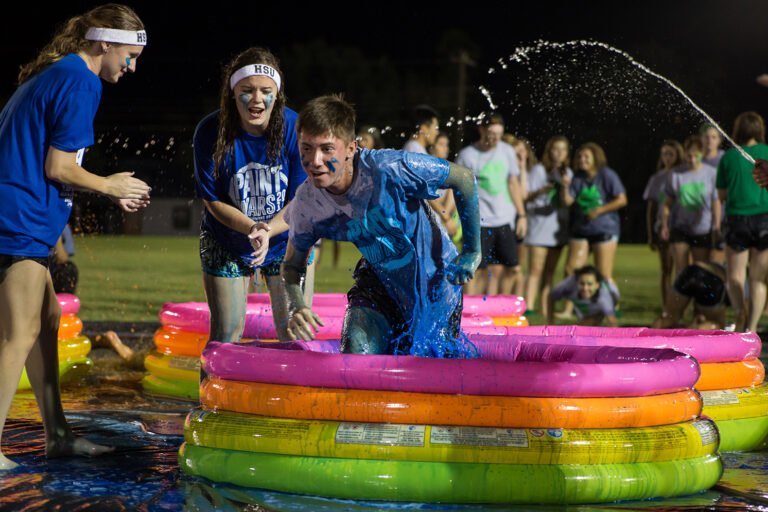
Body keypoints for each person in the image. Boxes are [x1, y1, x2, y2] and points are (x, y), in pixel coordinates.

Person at [0, 4, 151, 470]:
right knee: (17, 335)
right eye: (129, 54)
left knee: (44, 324)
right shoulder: (81, 80)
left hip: (20, 216)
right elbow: (59, 166)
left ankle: (59, 436)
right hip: (18, 219)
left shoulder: (58, 73)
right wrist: (111, 186)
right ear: (103, 42)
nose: (131, 66)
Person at [280, 94, 481, 358]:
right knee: (354, 357)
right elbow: (292, 266)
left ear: (351, 148)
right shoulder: (308, 203)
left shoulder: (391, 169)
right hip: (379, 284)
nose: (315, 160)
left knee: (427, 372)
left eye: (327, 149)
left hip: (435, 283)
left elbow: (464, 179)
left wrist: (471, 251)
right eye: (306, 148)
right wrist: (296, 304)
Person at [193, 47, 312, 344]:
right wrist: (252, 228)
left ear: (277, 95)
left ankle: (293, 393)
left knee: (293, 335)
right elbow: (212, 200)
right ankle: (212, 391)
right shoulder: (210, 131)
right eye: (247, 90)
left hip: (286, 238)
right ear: (232, 93)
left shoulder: (294, 128)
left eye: (265, 91)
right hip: (226, 238)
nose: (257, 99)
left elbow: (300, 200)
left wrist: (268, 229)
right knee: (226, 333)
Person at [457, 115, 527, 295]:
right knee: (476, 270)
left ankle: (503, 307)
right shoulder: (467, 155)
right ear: (481, 130)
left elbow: (513, 183)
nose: (496, 138)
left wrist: (522, 215)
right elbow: (458, 189)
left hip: (504, 220)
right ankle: (469, 310)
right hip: (479, 222)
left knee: (513, 268)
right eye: (492, 133)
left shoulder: (507, 151)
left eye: (499, 134)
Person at [716, 111, 768, 332]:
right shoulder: (767, 152)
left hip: (738, 219)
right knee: (758, 279)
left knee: (734, 277)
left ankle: (739, 314)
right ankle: (753, 327)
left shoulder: (729, 156)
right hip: (765, 219)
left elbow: (721, 195)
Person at [660, 135, 720, 316]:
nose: (692, 159)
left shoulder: (711, 173)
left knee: (700, 271)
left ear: (701, 154)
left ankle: (698, 312)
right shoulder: (676, 174)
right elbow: (667, 203)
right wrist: (664, 225)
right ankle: (676, 312)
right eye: (689, 155)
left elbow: (716, 201)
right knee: (682, 271)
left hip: (702, 228)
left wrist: (716, 226)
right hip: (680, 228)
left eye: (696, 155)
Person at [561, 142, 627, 300]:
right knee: (571, 270)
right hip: (581, 229)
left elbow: (622, 199)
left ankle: (612, 306)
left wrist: (598, 210)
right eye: (580, 156)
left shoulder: (607, 174)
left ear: (595, 158)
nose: (582, 159)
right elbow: (568, 202)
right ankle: (573, 308)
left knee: (603, 273)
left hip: (604, 229)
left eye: (586, 157)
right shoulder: (577, 177)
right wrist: (564, 186)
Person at [524, 136, 572, 317]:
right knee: (535, 270)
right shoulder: (538, 170)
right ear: (549, 151)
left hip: (556, 230)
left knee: (550, 273)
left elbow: (568, 203)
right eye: (555, 149)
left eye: (563, 150)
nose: (558, 153)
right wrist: (542, 190)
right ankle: (528, 309)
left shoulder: (568, 173)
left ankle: (545, 310)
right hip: (538, 228)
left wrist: (566, 186)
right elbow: (526, 196)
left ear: (567, 154)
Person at [644, 140, 683, 315]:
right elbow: (651, 207)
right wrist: (651, 233)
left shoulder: (684, 174)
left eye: (671, 154)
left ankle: (681, 307)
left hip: (683, 228)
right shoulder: (657, 178)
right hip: (663, 228)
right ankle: (667, 308)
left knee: (682, 270)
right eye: (664, 154)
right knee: (666, 269)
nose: (667, 158)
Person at [653, 260, 728, 330]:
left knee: (669, 317)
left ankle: (649, 338)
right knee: (717, 323)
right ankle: (689, 335)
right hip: (711, 280)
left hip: (690, 272)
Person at [547, 265, 619, 326]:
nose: (585, 288)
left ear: (597, 285)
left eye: (589, 284)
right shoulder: (568, 285)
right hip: (589, 305)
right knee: (585, 324)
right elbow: (551, 297)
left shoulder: (604, 297)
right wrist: (550, 323)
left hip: (611, 297)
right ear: (576, 282)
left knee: (590, 322)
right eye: (582, 283)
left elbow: (612, 322)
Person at [427, 132, 460, 241]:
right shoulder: (427, 168)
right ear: (431, 147)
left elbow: (452, 192)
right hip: (430, 222)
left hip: (444, 221)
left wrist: (446, 217)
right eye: (441, 144)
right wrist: (446, 218)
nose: (445, 148)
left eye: (446, 145)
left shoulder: (446, 169)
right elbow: (427, 196)